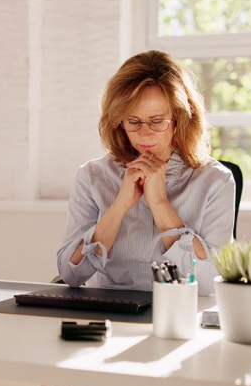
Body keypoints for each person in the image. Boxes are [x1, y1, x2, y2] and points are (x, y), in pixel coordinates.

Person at [56, 50, 235, 296]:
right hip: (107, 313)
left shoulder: (216, 180)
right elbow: (71, 275)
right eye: (133, 121)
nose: (145, 134)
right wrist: (119, 206)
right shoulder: (91, 176)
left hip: (179, 312)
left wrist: (159, 202)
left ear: (179, 119)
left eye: (157, 121)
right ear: (119, 121)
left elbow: (208, 282)